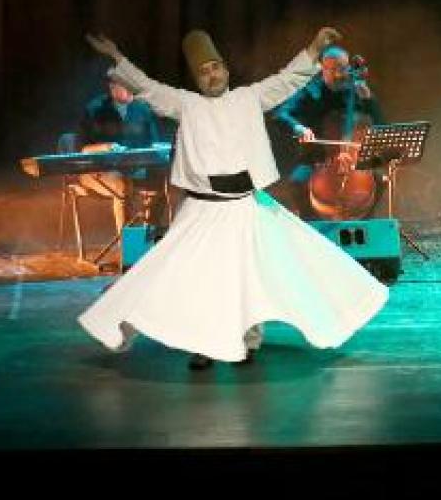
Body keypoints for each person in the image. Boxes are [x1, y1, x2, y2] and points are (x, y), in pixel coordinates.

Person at [78, 28, 389, 370]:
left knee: (249, 274)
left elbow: (287, 80)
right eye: (203, 72)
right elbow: (147, 88)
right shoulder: (186, 104)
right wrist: (117, 57)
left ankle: (247, 340)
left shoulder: (249, 98)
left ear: (225, 70)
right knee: (199, 278)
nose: (211, 75)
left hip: (244, 203)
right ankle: (203, 344)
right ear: (197, 79)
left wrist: (315, 48)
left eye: (215, 68)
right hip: (202, 207)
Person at [272, 46, 386, 218]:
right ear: (322, 68)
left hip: (353, 158)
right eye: (331, 69)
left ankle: (363, 222)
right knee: (297, 182)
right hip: (318, 157)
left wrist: (370, 100)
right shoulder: (311, 91)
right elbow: (280, 114)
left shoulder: (356, 90)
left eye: (342, 69)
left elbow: (380, 123)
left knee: (379, 179)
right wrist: (299, 128)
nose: (337, 74)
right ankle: (311, 225)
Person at [75, 79, 164, 234]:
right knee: (121, 185)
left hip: (132, 168)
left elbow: (155, 142)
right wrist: (105, 147)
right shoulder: (95, 109)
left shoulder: (142, 108)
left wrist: (157, 150)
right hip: (96, 172)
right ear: (112, 87)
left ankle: (148, 236)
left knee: (158, 181)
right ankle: (126, 242)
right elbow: (81, 149)